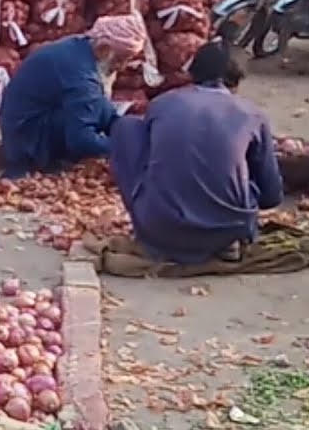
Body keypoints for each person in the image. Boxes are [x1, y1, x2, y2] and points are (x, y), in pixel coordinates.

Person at [107, 40, 283, 264]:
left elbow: (156, 156)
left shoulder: (163, 103)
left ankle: (160, 231)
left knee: (126, 128)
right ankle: (224, 240)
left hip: (161, 228)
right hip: (231, 228)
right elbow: (272, 196)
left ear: (192, 74)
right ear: (237, 80)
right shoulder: (253, 115)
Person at [0, 15, 147, 178]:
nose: (122, 67)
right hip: (28, 141)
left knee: (96, 104)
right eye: (120, 60)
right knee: (88, 111)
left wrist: (129, 132)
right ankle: (43, 164)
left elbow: (99, 106)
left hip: (31, 123)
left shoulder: (80, 47)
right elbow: (81, 140)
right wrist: (123, 150)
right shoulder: (80, 74)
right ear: (104, 49)